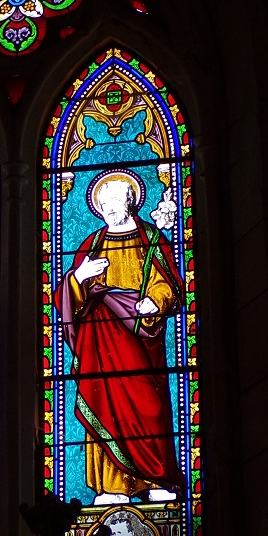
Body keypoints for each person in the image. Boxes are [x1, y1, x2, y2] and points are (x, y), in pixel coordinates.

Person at [54, 171, 185, 505]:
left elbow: (170, 285)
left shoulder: (152, 239)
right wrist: (78, 277)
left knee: (150, 408)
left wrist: (155, 300)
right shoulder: (92, 244)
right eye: (104, 201)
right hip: (99, 344)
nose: (110, 207)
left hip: (141, 341)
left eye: (116, 200)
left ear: (130, 201)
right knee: (104, 405)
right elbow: (66, 297)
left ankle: (156, 478)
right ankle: (112, 488)